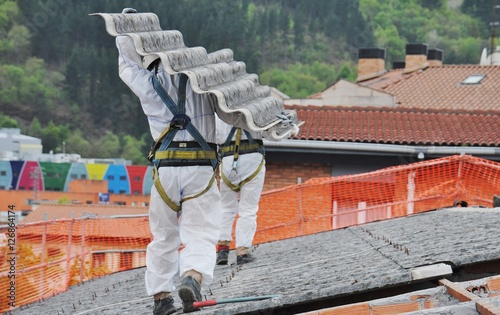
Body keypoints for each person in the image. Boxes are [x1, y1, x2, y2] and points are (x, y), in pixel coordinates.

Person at [116, 32, 221, 314]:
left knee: (163, 235)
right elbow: (233, 109)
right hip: (201, 166)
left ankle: (162, 298)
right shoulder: (206, 82)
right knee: (201, 232)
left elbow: (127, 66)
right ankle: (192, 277)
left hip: (165, 170)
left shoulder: (150, 82)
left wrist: (125, 35)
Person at [215, 117, 266, 266]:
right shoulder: (256, 106)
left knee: (226, 207)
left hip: (228, 161)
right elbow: (270, 132)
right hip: (252, 160)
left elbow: (214, 135)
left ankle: (222, 249)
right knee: (248, 208)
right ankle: (242, 251)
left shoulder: (220, 109)